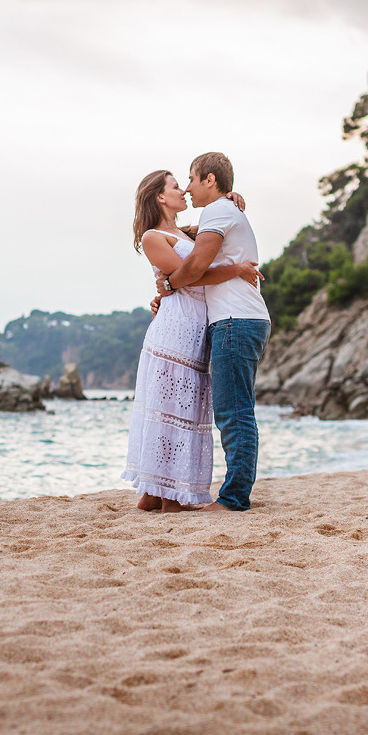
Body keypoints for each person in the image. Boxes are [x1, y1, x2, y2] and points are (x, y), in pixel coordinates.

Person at [121, 170, 263, 513]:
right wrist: (236, 270)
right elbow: (191, 276)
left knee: (185, 408)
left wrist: (231, 196)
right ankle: (165, 494)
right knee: (170, 408)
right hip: (175, 330)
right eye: (175, 186)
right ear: (159, 197)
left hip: (198, 327)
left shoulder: (186, 231)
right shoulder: (153, 236)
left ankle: (155, 495)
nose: (183, 190)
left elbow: (220, 226)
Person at [156, 152, 271, 512]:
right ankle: (233, 493)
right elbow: (190, 240)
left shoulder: (219, 210)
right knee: (234, 411)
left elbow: (196, 265)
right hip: (236, 320)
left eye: (191, 179)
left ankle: (234, 498)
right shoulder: (224, 209)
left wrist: (169, 285)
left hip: (237, 321)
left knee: (234, 413)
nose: (188, 188)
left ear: (209, 179)